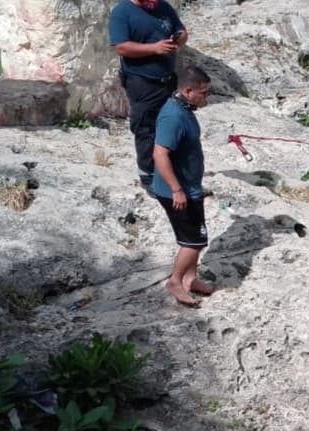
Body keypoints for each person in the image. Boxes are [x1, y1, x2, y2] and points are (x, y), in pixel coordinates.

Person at [108, 0, 189, 192]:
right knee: (145, 129)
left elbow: (181, 30)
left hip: (167, 81)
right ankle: (148, 175)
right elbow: (121, 47)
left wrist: (181, 38)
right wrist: (154, 48)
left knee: (170, 124)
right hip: (141, 82)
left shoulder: (163, 7)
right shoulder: (122, 12)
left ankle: (169, 169)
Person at [153, 66, 213, 307]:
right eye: (204, 93)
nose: (206, 98)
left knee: (198, 237)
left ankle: (190, 277)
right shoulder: (173, 116)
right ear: (188, 91)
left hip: (191, 188)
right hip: (178, 192)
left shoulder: (185, 109)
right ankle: (175, 281)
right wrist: (176, 189)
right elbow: (160, 154)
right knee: (193, 241)